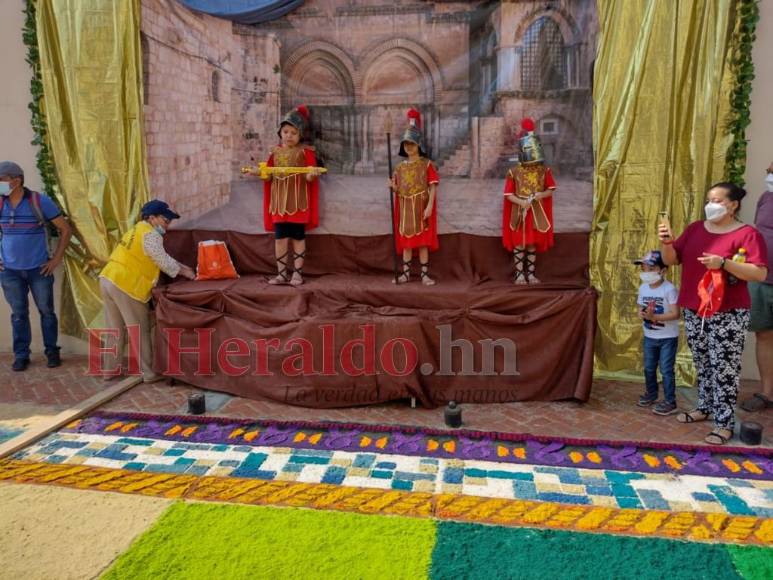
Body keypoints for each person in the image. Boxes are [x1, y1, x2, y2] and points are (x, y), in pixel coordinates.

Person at [659, 182, 768, 445]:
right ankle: (705, 407)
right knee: (703, 361)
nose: (711, 205)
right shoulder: (696, 229)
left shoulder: (747, 234)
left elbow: (759, 272)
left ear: (733, 205)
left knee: (724, 367)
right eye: (709, 200)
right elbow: (671, 259)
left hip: (728, 312)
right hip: (695, 308)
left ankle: (724, 422)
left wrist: (724, 263)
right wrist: (666, 242)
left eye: (718, 201)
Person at [99, 200, 195, 382]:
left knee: (114, 329)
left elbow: (159, 257)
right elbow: (163, 261)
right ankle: (149, 373)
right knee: (139, 330)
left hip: (108, 278)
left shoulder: (136, 230)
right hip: (126, 285)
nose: (167, 225)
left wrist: (183, 267)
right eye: (165, 220)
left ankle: (109, 371)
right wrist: (187, 273)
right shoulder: (151, 235)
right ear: (152, 218)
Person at [0, 161, 72, 371]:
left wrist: (55, 259)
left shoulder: (39, 201)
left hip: (39, 270)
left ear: (16, 180)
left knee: (46, 312)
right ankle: (21, 355)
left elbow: (65, 229)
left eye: (1, 180)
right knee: (18, 314)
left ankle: (52, 351)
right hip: (9, 271)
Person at [261, 105, 321, 286]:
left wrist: (312, 175)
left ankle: (297, 274)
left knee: (297, 239)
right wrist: (261, 173)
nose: (289, 136)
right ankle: (281, 274)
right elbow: (268, 176)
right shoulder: (274, 153)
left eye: (293, 133)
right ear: (280, 133)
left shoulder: (306, 152)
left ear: (300, 134)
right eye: (285, 132)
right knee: (280, 240)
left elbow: (309, 179)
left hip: (298, 203)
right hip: (279, 203)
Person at [502, 118, 556, 284]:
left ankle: (530, 274)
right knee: (520, 242)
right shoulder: (514, 172)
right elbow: (508, 194)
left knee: (532, 243)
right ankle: (519, 275)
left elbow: (550, 189)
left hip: (536, 211)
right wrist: (521, 202)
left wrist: (541, 195)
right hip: (520, 211)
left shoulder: (544, 171)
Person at [389, 108, 439, 286]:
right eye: (406, 144)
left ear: (419, 145)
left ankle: (424, 275)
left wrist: (429, 206)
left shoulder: (427, 164)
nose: (409, 147)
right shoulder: (399, 168)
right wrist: (393, 187)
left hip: (421, 208)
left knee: (423, 243)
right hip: (405, 211)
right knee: (407, 243)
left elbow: (433, 186)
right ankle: (406, 275)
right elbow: (399, 190)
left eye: (412, 143)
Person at [741, 161, 773, 412]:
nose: (770, 176)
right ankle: (766, 393)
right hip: (761, 280)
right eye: (769, 172)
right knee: (764, 335)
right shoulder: (765, 198)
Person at [634, 250, 680, 415]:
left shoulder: (669, 289)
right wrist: (641, 313)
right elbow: (640, 306)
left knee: (666, 370)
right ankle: (651, 394)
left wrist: (655, 317)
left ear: (663, 270)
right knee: (648, 368)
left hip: (668, 338)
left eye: (651, 268)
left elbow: (675, 314)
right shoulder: (643, 288)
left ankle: (670, 401)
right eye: (644, 268)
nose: (647, 272)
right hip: (650, 337)